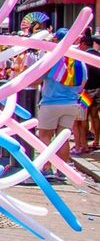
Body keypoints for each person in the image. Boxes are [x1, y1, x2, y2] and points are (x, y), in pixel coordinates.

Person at [35, 28, 86, 183]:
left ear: (57, 40)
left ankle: (47, 168)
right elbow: (83, 84)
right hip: (71, 103)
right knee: (63, 138)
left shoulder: (52, 59)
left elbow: (37, 79)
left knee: (45, 136)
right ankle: (61, 170)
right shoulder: (80, 61)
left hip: (50, 103)